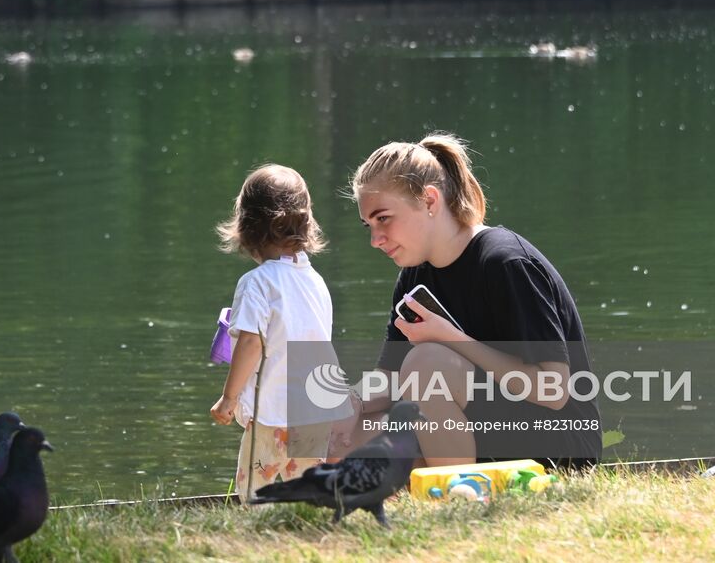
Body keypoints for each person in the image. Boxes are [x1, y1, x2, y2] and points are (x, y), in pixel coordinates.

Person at [349, 133, 600, 469]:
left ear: (429, 201)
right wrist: (341, 406)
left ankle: (457, 497)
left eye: (383, 219)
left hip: (558, 443)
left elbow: (553, 392)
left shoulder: (506, 262)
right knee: (353, 433)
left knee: (426, 365)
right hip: (479, 431)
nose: (375, 239)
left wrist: (450, 338)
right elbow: (389, 379)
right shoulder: (414, 275)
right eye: (368, 225)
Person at [208, 164, 342, 501]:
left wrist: (229, 398)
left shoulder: (256, 283)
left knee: (257, 491)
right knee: (312, 491)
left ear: (247, 229)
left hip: (272, 413)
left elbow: (251, 343)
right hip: (316, 411)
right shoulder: (316, 282)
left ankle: (260, 535)